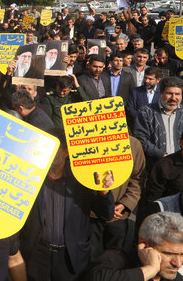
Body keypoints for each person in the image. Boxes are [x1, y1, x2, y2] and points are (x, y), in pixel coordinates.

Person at [19, 134, 114, 281]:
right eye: (45, 147)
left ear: (66, 152)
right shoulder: (29, 176)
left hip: (71, 259)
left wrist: (104, 192)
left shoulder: (82, 179)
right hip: (37, 256)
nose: (48, 152)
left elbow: (106, 214)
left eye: (53, 149)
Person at [87, 212, 183, 281]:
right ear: (144, 243)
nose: (178, 264)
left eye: (182, 254)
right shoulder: (116, 259)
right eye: (169, 253)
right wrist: (149, 269)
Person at [134, 76, 183, 170]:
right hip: (154, 167)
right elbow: (141, 139)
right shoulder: (146, 112)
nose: (173, 98)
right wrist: (162, 155)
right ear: (161, 93)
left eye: (177, 94)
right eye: (169, 93)